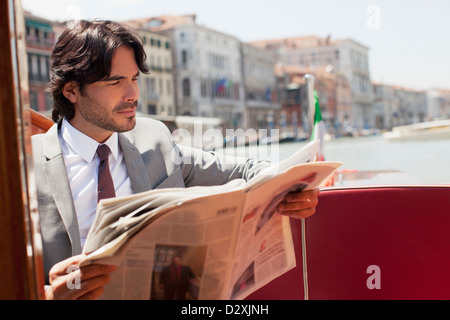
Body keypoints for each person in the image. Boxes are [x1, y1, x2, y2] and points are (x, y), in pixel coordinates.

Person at [32, 20, 320, 300]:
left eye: (134, 79)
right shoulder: (26, 168)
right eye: (115, 82)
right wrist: (47, 297)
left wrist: (297, 187)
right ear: (71, 90)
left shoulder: (154, 138)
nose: (133, 94)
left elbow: (248, 170)